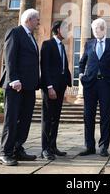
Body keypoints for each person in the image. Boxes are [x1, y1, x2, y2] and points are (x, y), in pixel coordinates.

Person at [0, 8, 41, 166]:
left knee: (25, 120)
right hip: (15, 85)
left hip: (29, 86)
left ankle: (17, 149)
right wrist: (13, 79)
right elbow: (9, 58)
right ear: (29, 20)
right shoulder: (15, 32)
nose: (38, 23)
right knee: (12, 119)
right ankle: (6, 152)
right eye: (37, 20)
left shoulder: (31, 37)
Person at [78, 18, 110, 157]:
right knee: (88, 116)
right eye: (93, 28)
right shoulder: (89, 44)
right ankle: (89, 146)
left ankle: (103, 147)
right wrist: (80, 75)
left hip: (106, 85)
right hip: (90, 84)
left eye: (97, 28)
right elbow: (82, 62)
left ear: (103, 29)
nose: (94, 31)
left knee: (105, 116)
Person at [40, 20, 72, 160]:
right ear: (58, 30)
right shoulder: (47, 45)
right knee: (48, 118)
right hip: (50, 88)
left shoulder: (62, 46)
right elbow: (45, 67)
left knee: (56, 118)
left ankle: (53, 146)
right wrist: (49, 87)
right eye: (66, 28)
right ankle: (45, 149)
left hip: (60, 88)